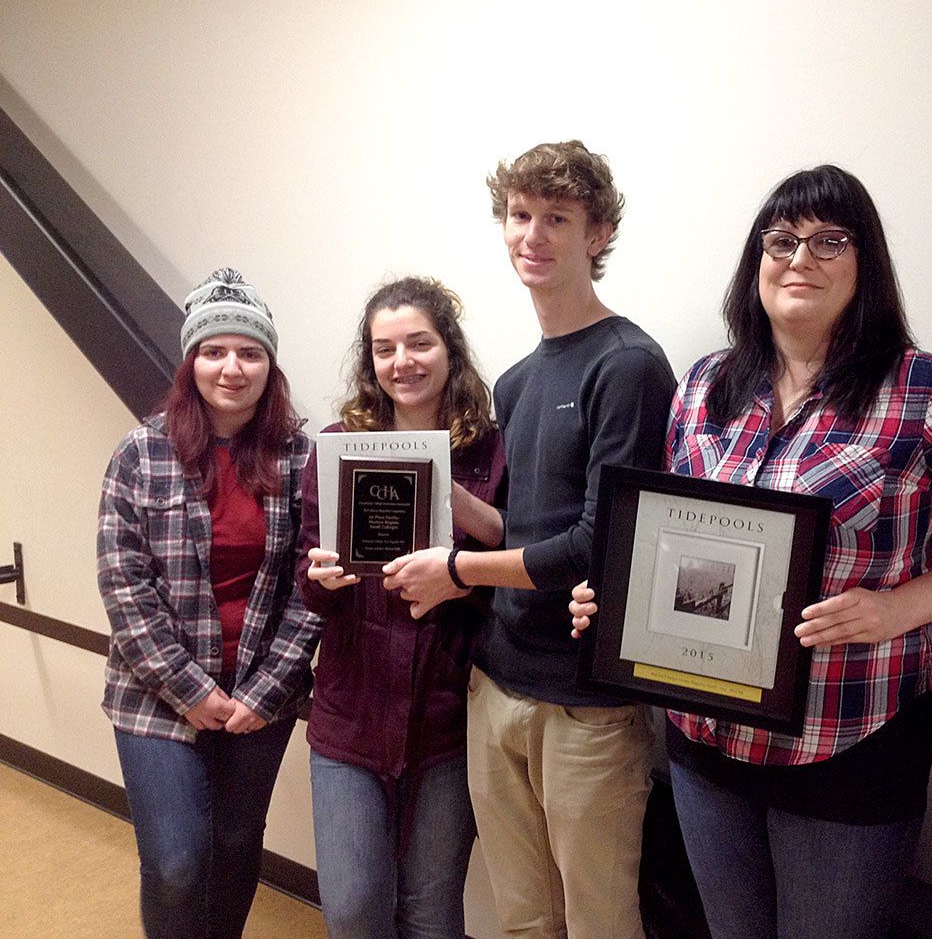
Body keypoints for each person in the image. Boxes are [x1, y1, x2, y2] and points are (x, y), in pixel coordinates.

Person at [570, 164, 932, 939]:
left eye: (831, 241)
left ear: (867, 267)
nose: (801, 259)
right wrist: (618, 596)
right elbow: (671, 533)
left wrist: (899, 608)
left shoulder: (928, 392)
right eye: (782, 239)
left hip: (850, 735)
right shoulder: (703, 387)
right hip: (707, 733)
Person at [380, 141, 676, 939]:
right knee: (521, 919)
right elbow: (529, 533)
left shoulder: (629, 366)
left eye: (557, 218)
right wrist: (436, 488)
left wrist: (457, 570)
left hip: (587, 708)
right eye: (519, 215)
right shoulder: (516, 379)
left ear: (599, 234)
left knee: (599, 922)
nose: (532, 235)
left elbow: (598, 546)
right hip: (497, 686)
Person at [97, 268, 317, 939]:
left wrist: (264, 691)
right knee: (176, 863)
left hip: (261, 696)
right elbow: (124, 584)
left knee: (233, 845)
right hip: (155, 696)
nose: (231, 367)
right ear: (191, 361)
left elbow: (311, 589)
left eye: (249, 352)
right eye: (214, 351)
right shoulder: (141, 453)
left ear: (270, 365)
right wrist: (189, 688)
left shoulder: (300, 457)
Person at [298, 277, 505, 939]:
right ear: (370, 361)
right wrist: (321, 579)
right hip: (350, 718)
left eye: (419, 343)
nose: (403, 362)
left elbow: (518, 571)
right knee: (355, 909)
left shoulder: (493, 451)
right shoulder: (336, 446)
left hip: (449, 722)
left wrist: (462, 574)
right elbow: (306, 583)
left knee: (430, 912)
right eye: (384, 349)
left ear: (449, 350)